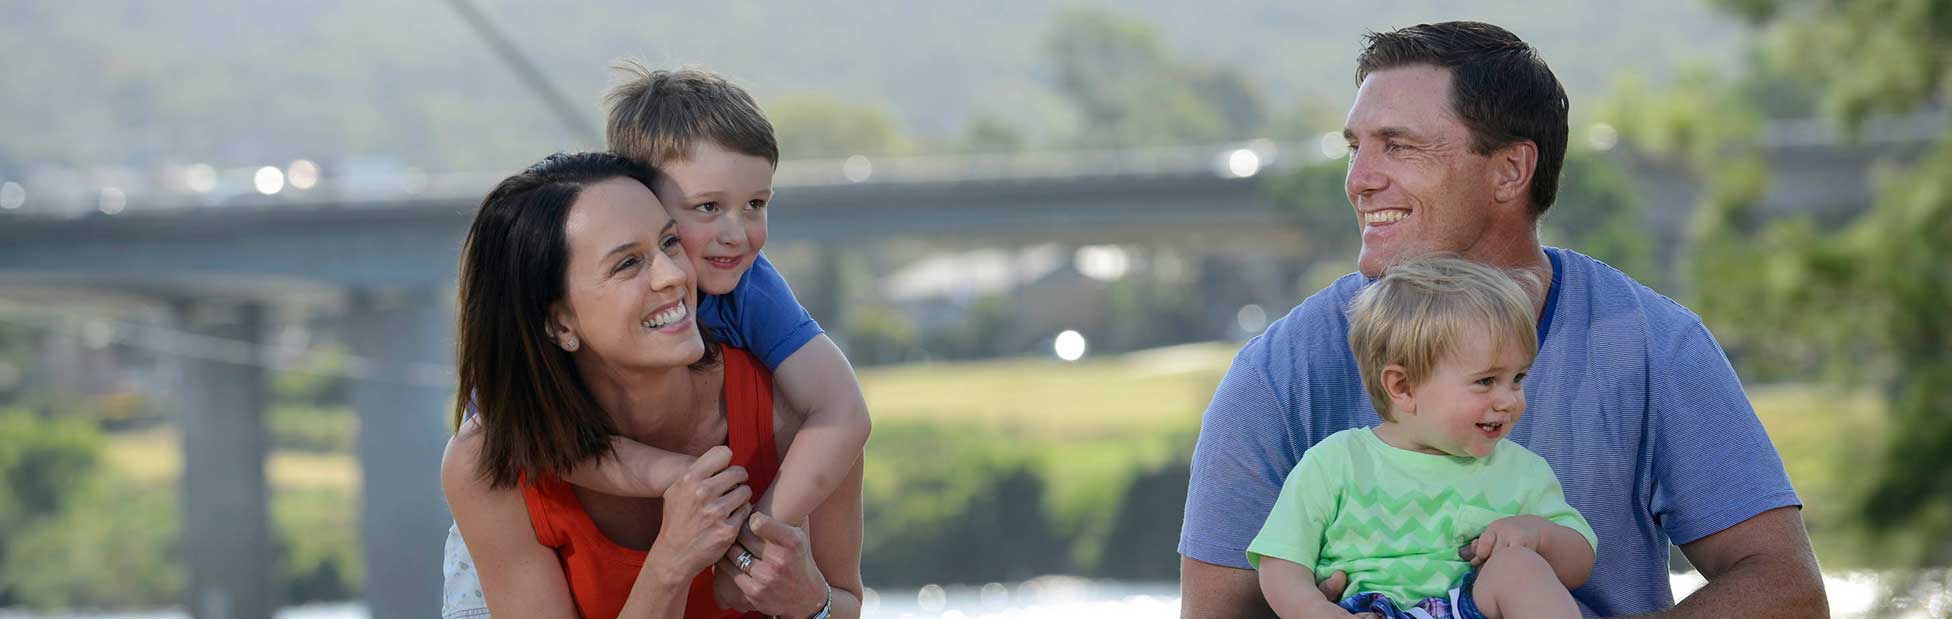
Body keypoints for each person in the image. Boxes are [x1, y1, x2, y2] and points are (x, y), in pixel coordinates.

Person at [1179, 21, 1825, 618]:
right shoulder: (1275, 374)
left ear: (1511, 169)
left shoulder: (1657, 346)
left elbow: (1787, 588)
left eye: (1397, 147)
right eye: (1356, 148)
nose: (1358, 180)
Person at [443, 65, 872, 617]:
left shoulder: (792, 412)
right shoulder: (494, 455)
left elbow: (843, 415)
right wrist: (673, 553)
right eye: (628, 262)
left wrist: (807, 601)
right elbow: (536, 440)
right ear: (558, 322)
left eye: (670, 243)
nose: (673, 274)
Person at [1251, 257, 1594, 619]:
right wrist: (1314, 610)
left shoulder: (1522, 471)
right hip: (1371, 610)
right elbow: (1281, 562)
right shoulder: (1335, 463)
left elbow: (1580, 560)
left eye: (1519, 378)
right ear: (1403, 387)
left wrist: (1536, 535)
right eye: (1486, 381)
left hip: (1470, 607)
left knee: (1519, 569)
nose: (1509, 400)